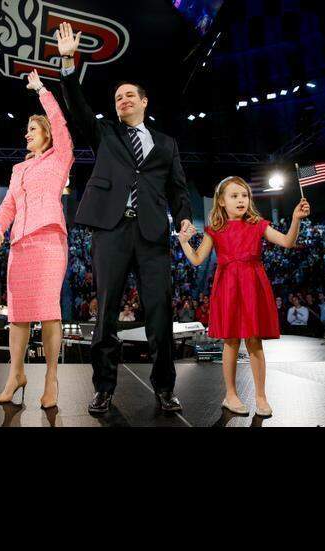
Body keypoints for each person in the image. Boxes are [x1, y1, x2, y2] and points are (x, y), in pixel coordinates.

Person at [56, 22, 191, 415]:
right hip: (111, 233)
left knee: (160, 314)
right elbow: (78, 106)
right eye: (118, 97)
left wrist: (183, 218)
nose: (123, 100)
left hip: (152, 236)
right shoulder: (105, 134)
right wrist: (68, 62)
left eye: (130, 95)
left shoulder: (166, 144)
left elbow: (178, 190)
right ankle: (103, 388)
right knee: (106, 316)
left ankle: (164, 388)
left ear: (145, 102)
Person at [178, 176, 310, 417]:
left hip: (253, 284)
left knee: (254, 341)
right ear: (221, 202)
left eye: (245, 195)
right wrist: (185, 243)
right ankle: (230, 395)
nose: (241, 200)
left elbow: (288, 242)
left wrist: (295, 220)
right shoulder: (214, 230)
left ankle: (261, 396)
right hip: (227, 286)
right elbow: (197, 259)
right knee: (230, 341)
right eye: (234, 196)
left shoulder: (258, 224)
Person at [0, 70, 74, 410]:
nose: (27, 134)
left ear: (47, 135)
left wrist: (41, 91)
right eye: (26, 131)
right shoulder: (18, 170)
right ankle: (16, 375)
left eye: (33, 130)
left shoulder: (60, 155)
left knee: (50, 312)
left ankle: (51, 378)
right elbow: (8, 204)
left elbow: (61, 124)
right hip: (19, 244)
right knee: (18, 314)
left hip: (50, 241)